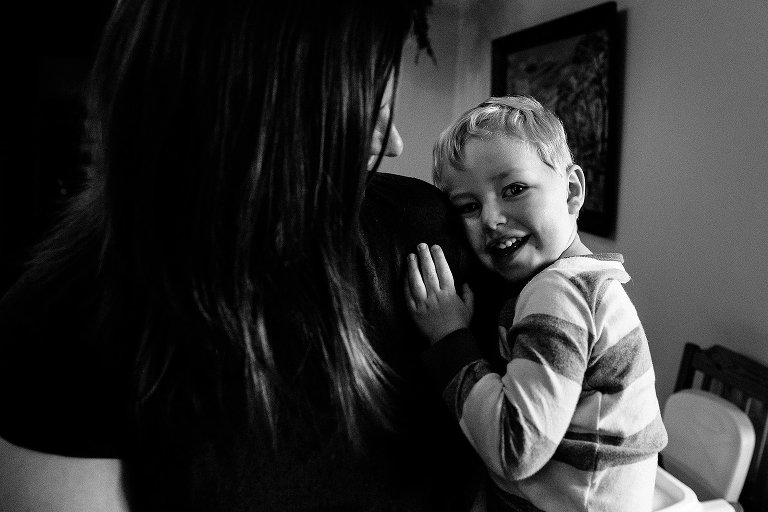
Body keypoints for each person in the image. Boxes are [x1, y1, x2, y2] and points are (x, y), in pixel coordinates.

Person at [0, 1, 494, 510]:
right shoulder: (61, 320)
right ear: (260, 116)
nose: (393, 144)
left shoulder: (427, 231)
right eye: (368, 116)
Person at [404, 96, 668, 512]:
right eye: (469, 207)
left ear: (572, 191)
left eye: (514, 190)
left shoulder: (558, 293)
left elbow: (515, 448)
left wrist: (450, 337)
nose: (491, 218)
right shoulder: (588, 279)